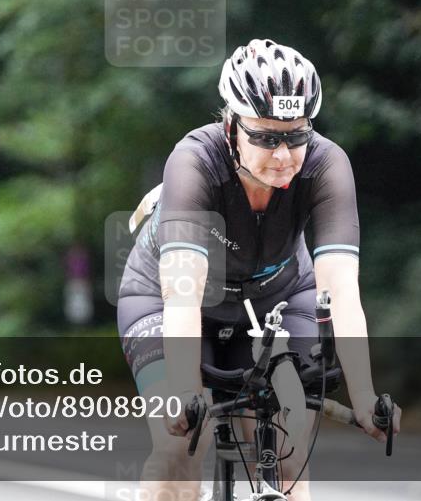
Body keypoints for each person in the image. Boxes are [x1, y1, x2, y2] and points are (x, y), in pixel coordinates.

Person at [117, 39, 402, 501]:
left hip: (276, 298)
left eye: (297, 135)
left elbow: (341, 293)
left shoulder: (328, 166)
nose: (284, 154)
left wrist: (366, 395)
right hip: (168, 300)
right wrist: (188, 391)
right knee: (182, 444)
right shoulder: (194, 162)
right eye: (266, 137)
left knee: (290, 444)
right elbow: (183, 295)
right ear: (231, 126)